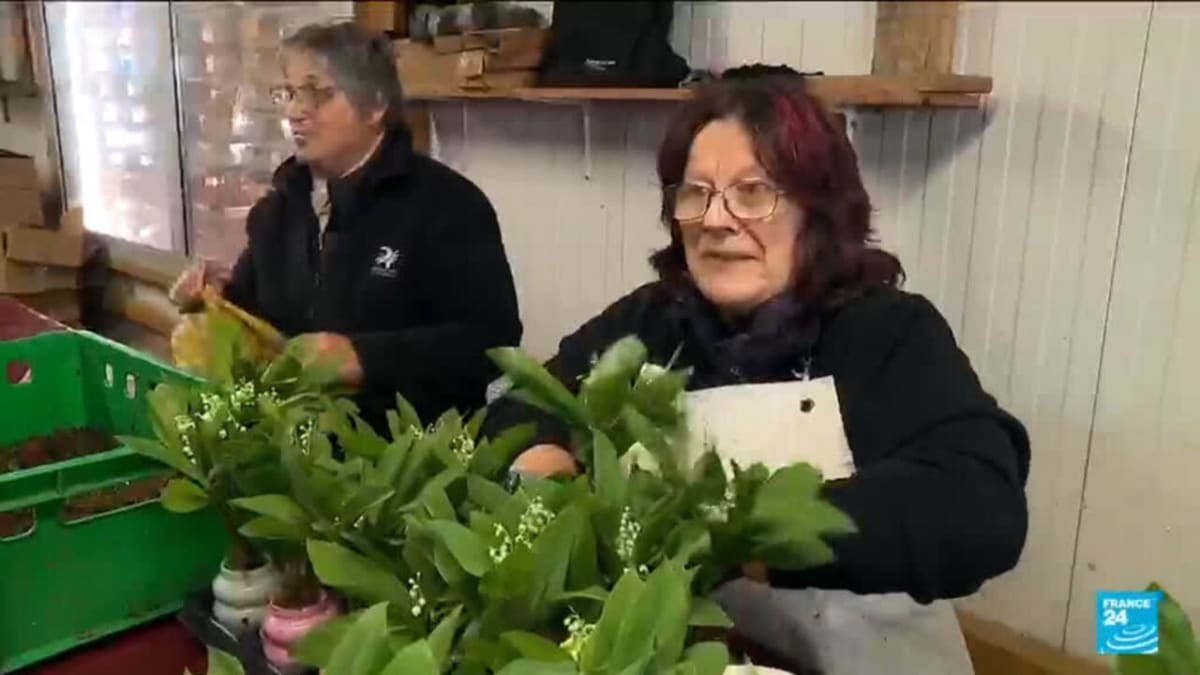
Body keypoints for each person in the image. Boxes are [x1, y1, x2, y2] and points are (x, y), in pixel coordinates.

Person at [483, 76, 1029, 674]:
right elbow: (525, 401)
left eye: (752, 192)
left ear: (816, 212)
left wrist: (746, 536)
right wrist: (541, 457)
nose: (716, 219)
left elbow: (981, 509)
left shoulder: (885, 332)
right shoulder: (653, 321)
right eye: (697, 193)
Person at [170, 22, 522, 430]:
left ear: (374, 106)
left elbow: (492, 343)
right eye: (288, 93)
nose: (293, 111)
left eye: (316, 94)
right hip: (292, 452)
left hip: (410, 462)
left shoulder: (447, 206)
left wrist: (365, 358)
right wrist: (214, 301)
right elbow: (258, 319)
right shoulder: (278, 211)